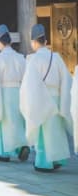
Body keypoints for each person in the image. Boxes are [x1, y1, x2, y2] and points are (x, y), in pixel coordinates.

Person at [19, 23, 73, 172]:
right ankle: (57, 159)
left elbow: (28, 86)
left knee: (43, 132)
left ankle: (44, 163)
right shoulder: (56, 57)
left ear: (34, 42)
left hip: (41, 99)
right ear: (45, 40)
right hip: (56, 99)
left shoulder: (33, 60)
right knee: (56, 131)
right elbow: (66, 81)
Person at [0, 24, 29, 163]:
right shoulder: (21, 58)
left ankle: (3, 152)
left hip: (3, 94)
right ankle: (21, 147)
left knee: (4, 122)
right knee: (18, 123)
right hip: (18, 92)